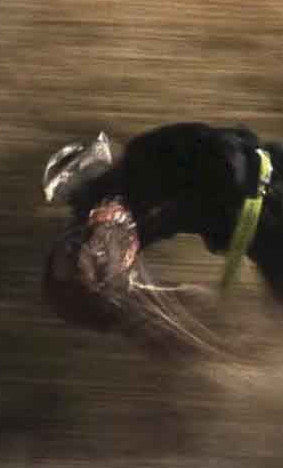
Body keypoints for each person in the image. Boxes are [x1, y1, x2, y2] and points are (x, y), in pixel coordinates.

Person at [40, 132, 225, 362]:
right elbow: (88, 282)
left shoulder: (93, 221)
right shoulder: (95, 222)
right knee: (198, 309)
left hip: (120, 306)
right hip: (125, 304)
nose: (110, 169)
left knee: (196, 308)